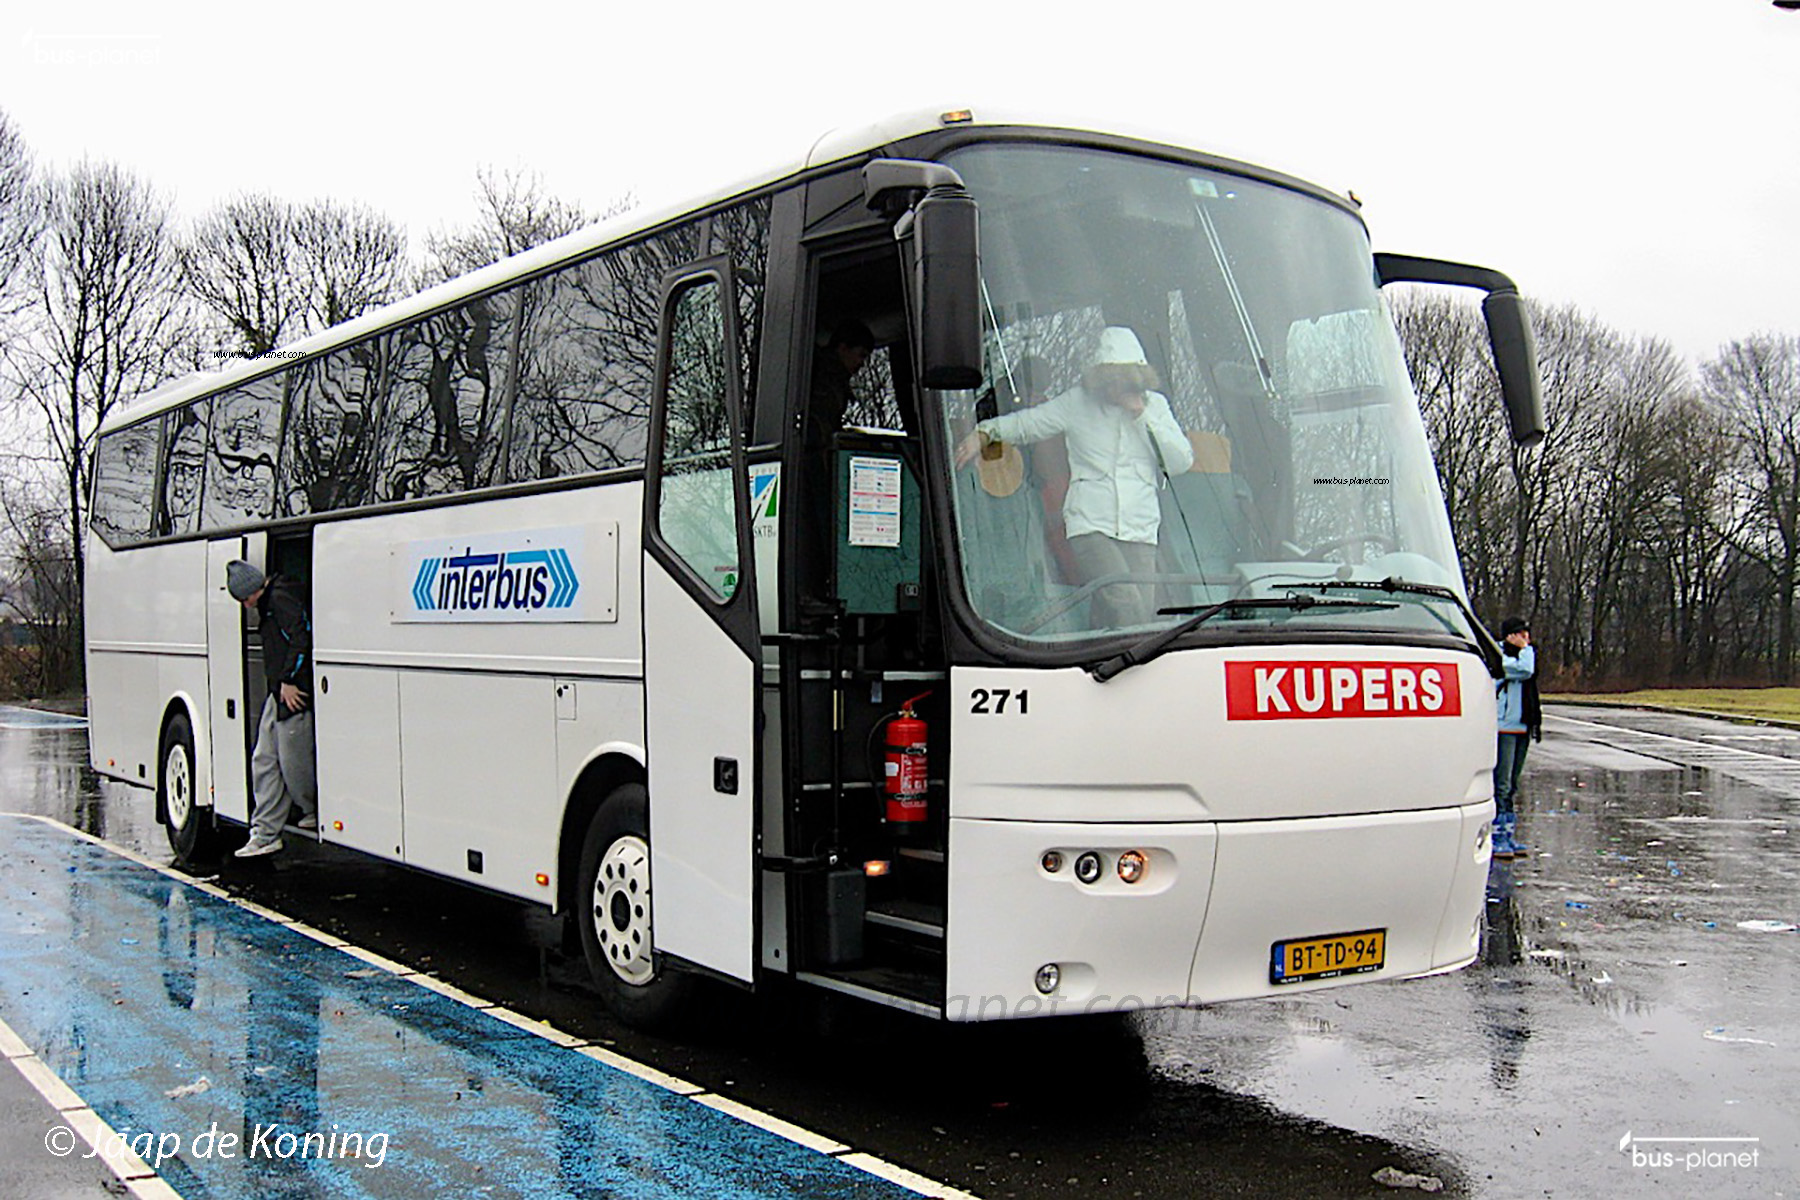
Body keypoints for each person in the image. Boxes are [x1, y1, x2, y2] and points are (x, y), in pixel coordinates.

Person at [956, 327, 1194, 628]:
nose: (1113, 388)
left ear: (1136, 379)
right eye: (1108, 380)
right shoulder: (1077, 403)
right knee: (1127, 604)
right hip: (1090, 525)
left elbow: (1180, 461)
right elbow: (1030, 423)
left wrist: (1141, 415)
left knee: (1131, 612)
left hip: (1142, 528)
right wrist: (985, 432)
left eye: (1121, 380)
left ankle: (1099, 656)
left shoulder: (1155, 407)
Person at [227, 559, 317, 858]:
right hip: (280, 692)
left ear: (254, 589)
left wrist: (288, 679)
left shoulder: (279, 600)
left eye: (244, 598)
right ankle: (266, 832)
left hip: (292, 692)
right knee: (267, 758)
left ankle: (305, 811)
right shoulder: (274, 600)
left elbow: (302, 638)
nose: (245, 605)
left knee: (287, 761)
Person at [1492, 615, 1538, 860]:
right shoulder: (1499, 656)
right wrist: (1525, 651)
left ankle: (1508, 832)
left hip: (1523, 725)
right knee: (1502, 783)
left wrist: (1525, 650)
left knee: (1513, 783)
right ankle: (1496, 834)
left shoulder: (1525, 654)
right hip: (1504, 726)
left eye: (1526, 635)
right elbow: (1524, 670)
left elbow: (1530, 670)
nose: (1525, 639)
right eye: (1520, 634)